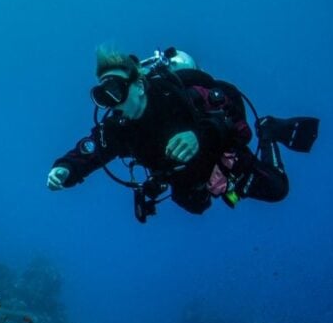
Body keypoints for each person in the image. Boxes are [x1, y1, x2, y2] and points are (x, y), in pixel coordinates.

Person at [46, 46, 318, 221]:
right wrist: (66, 168)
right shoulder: (120, 128)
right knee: (195, 206)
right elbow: (93, 149)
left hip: (217, 156)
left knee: (277, 189)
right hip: (183, 175)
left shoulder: (173, 96)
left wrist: (200, 135)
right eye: (103, 97)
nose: (113, 102)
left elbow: (230, 103)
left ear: (138, 85)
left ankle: (269, 131)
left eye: (116, 90)